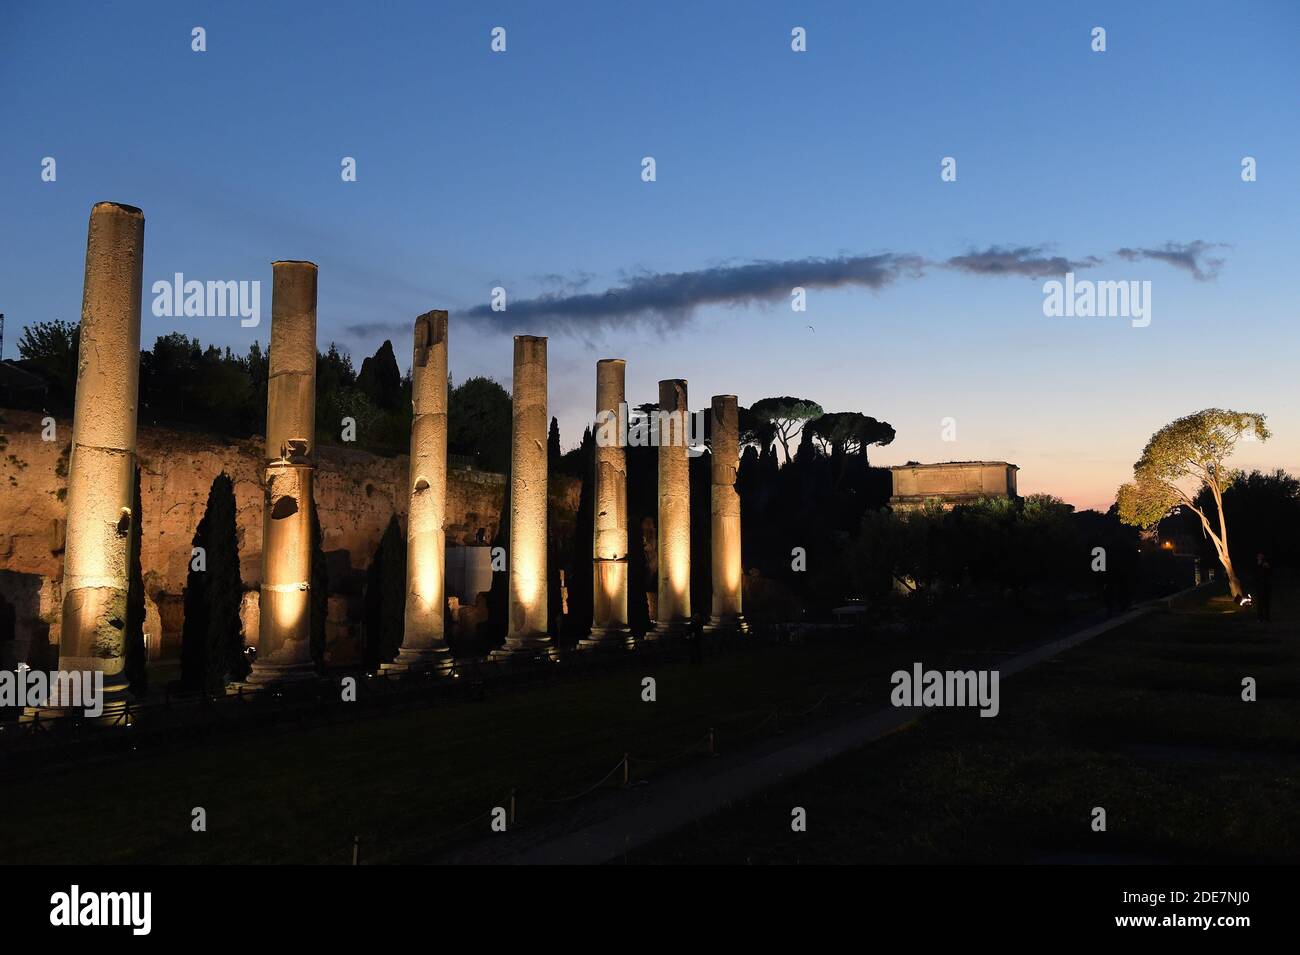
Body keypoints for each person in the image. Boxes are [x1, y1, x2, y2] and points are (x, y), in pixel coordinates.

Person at [1254, 553, 1273, 623]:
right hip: (1260, 587)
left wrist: (1267, 567)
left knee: (1266, 603)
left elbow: (1269, 573)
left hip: (1266, 586)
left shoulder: (1265, 564)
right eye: (1259, 556)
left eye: (1261, 556)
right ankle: (1260, 618)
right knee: (1260, 603)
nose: (1260, 557)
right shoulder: (1256, 565)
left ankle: (1267, 618)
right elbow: (1256, 575)